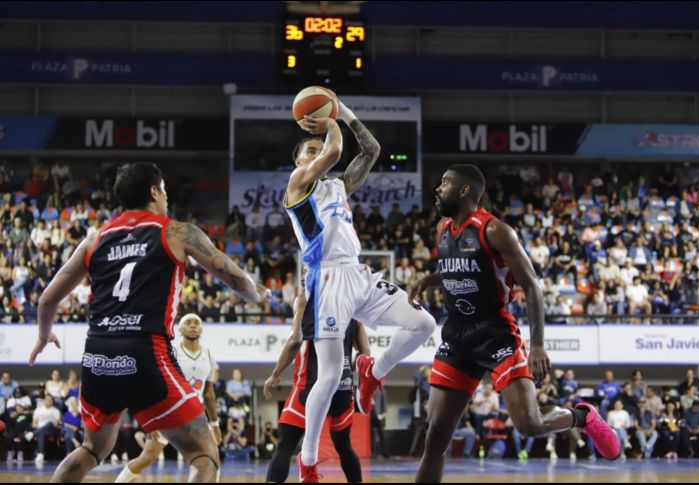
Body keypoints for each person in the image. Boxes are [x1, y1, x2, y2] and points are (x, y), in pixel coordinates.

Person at [29, 162, 269, 483]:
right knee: (204, 455)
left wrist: (44, 336)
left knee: (91, 450)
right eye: (165, 190)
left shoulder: (95, 239)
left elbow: (47, 300)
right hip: (145, 352)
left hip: (98, 356)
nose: (166, 197)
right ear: (154, 192)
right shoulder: (176, 231)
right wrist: (258, 295)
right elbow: (238, 281)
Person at [412, 166, 619, 483]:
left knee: (530, 425)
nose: (438, 189)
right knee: (436, 435)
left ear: (464, 191)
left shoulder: (495, 231)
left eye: (445, 183)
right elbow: (463, 269)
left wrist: (537, 346)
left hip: (495, 333)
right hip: (457, 335)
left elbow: (532, 285)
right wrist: (430, 279)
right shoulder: (443, 228)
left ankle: (583, 416)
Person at [284, 91, 436, 482]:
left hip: (357, 273)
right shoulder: (298, 184)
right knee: (330, 374)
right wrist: (330, 123)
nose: (318, 152)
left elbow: (371, 149)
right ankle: (308, 461)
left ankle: (373, 370)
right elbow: (334, 151)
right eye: (309, 150)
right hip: (327, 277)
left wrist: (345, 112)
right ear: (298, 161)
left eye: (318, 147)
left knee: (423, 324)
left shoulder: (337, 186)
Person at [263, 292, 370, 483]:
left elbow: (296, 340)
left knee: (286, 446)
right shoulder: (352, 303)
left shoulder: (305, 299)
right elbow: (365, 355)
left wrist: (275, 374)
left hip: (310, 384)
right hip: (342, 386)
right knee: (344, 446)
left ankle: (306, 467)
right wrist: (348, 370)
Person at [116, 313, 222, 483]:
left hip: (196, 415)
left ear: (201, 329)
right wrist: (152, 422)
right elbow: (152, 386)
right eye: (188, 323)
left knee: (210, 458)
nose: (193, 326)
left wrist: (215, 424)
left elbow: (208, 393)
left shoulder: (208, 355)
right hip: (169, 413)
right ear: (180, 329)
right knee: (147, 457)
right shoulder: (171, 352)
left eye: (196, 323)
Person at [33, 394, 62, 464]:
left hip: (52, 429)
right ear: (44, 400)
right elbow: (34, 423)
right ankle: (41, 454)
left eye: (50, 399)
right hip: (39, 429)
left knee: (50, 423)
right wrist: (40, 428)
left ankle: (33, 434)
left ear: (52, 401)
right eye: (47, 399)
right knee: (42, 432)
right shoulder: (38, 410)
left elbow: (55, 424)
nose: (48, 401)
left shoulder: (56, 411)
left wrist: (43, 428)